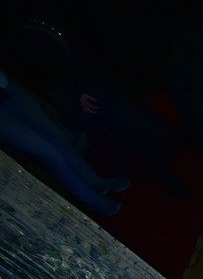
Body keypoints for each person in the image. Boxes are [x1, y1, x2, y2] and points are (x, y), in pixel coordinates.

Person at [0, 66, 125, 216]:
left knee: (58, 137)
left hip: (6, 87)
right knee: (47, 151)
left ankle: (96, 182)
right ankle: (94, 201)